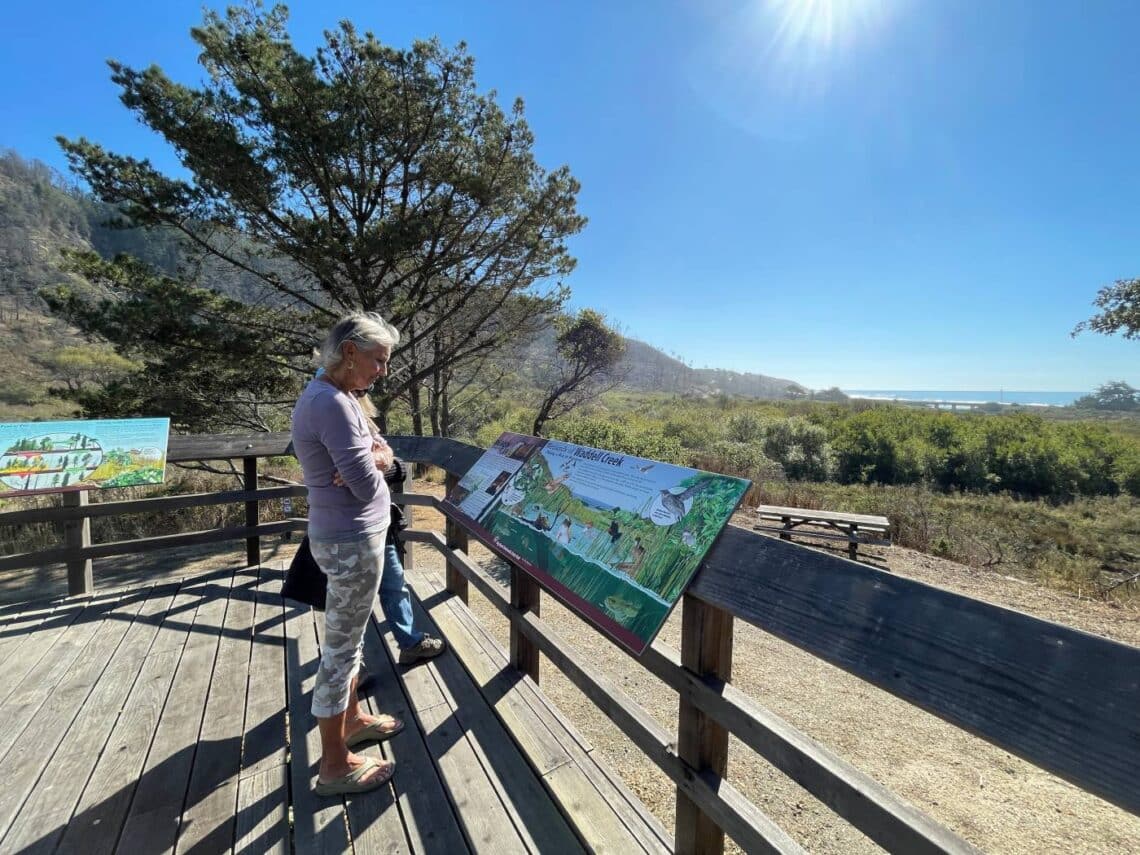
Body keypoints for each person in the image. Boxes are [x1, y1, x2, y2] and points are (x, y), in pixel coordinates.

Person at [292, 312, 404, 797]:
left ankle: (353, 719)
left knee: (351, 641)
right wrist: (372, 463)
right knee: (339, 653)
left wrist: (376, 456)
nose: (383, 370)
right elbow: (360, 485)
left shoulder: (341, 397)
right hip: (351, 539)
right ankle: (334, 767)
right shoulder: (332, 405)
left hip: (354, 537)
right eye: (378, 360)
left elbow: (380, 455)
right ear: (351, 352)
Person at [349, 387, 446, 667]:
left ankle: (410, 643)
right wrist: (383, 463)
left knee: (393, 583)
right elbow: (351, 475)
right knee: (354, 597)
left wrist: (384, 464)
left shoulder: (363, 420)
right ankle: (353, 668)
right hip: (351, 527)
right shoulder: (333, 417)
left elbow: (396, 466)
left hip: (380, 524)